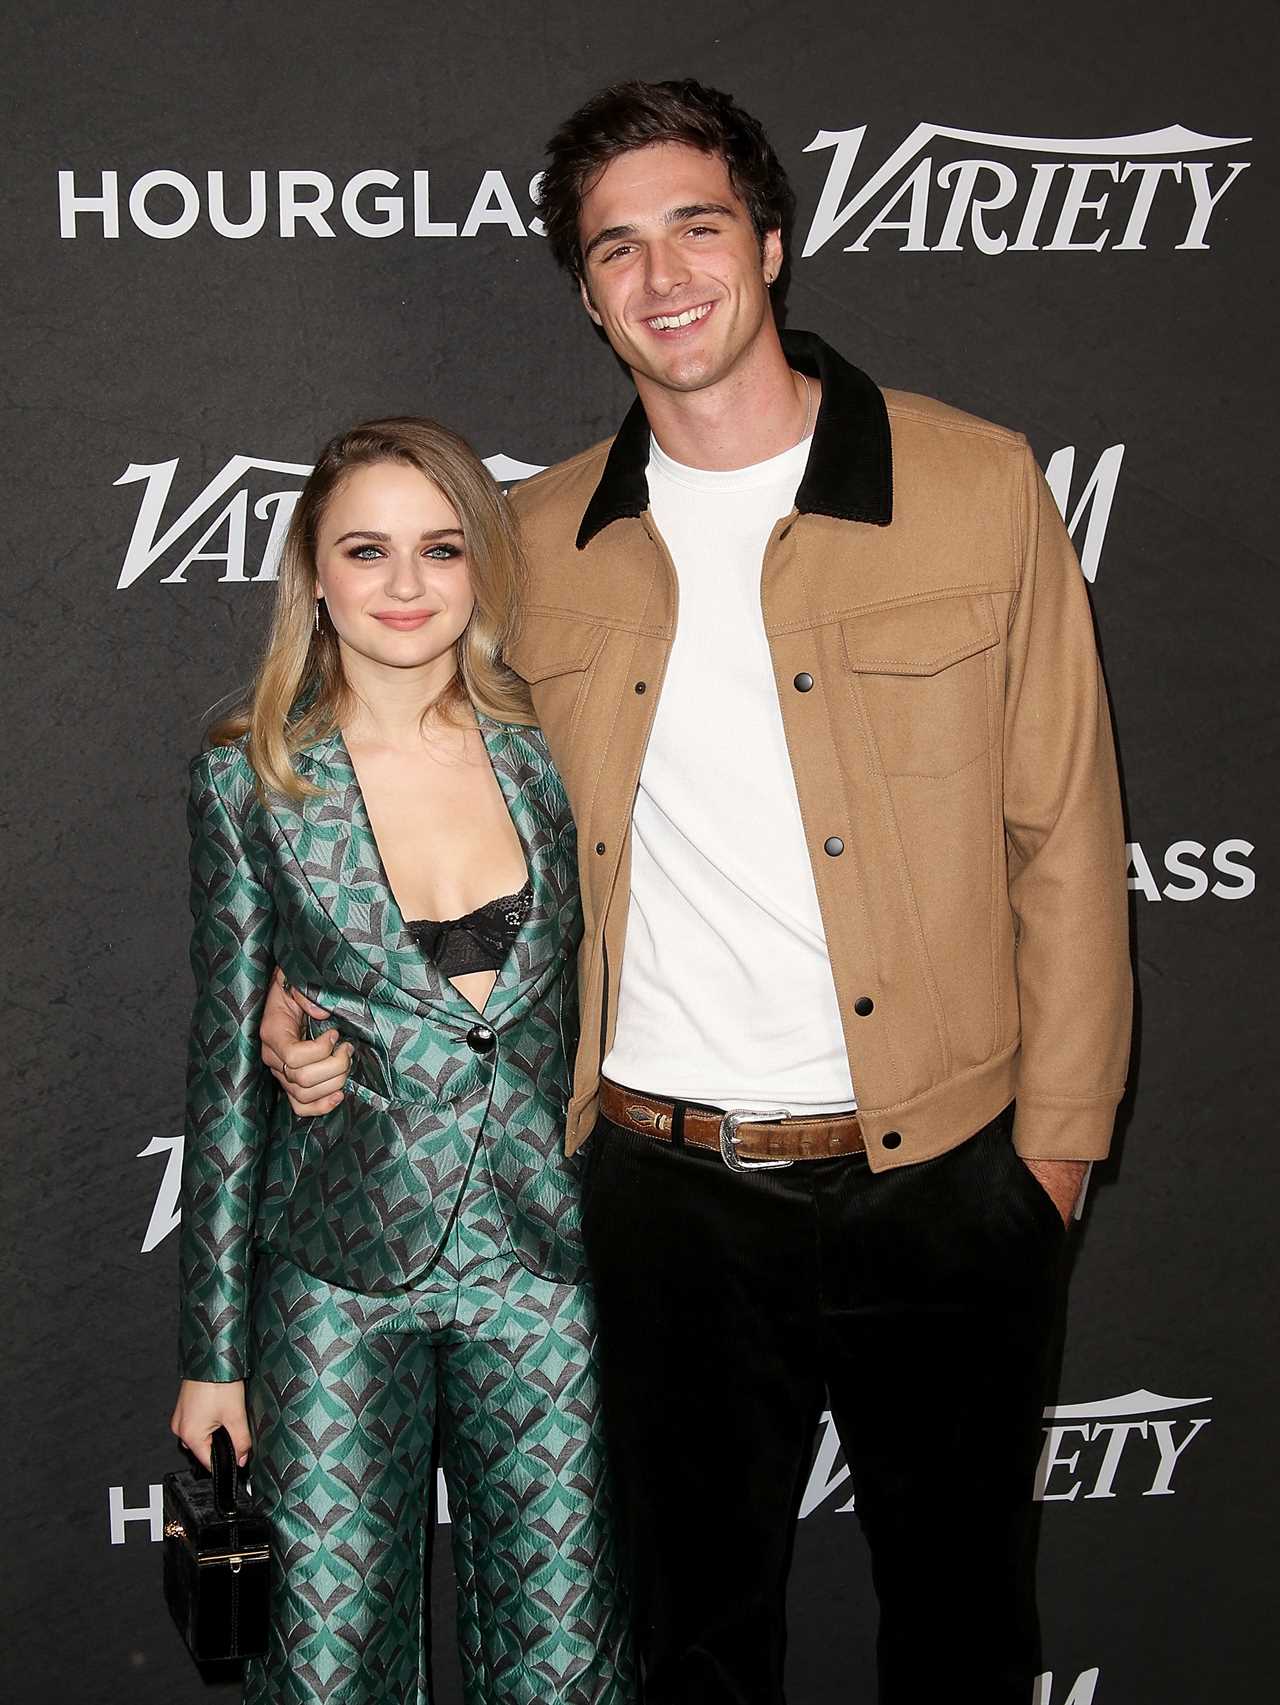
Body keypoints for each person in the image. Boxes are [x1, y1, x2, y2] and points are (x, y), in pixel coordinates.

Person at [264, 80, 1132, 1705]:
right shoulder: (529, 542)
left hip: (945, 1174)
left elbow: (1066, 834)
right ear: (586, 293)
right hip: (659, 1193)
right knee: (689, 1646)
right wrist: (294, 978)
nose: (663, 276)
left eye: (697, 227)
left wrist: (1053, 1161)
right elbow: (401, 781)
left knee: (962, 1633)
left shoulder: (974, 484)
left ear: (774, 244)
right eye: (616, 248)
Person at [170, 416, 634, 1704]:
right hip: (335, 1283)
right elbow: (218, 1081)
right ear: (313, 574)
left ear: (480, 567)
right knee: (325, 1666)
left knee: (564, 1657)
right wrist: (214, 1353)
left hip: (541, 1274)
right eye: (366, 551)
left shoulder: (554, 756)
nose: (407, 586)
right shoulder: (251, 780)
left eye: (440, 549)